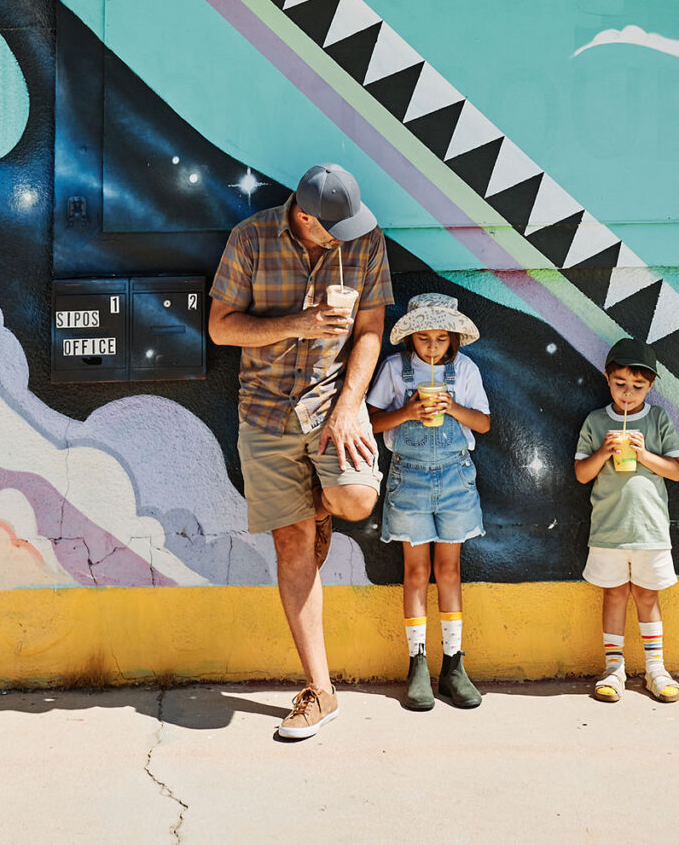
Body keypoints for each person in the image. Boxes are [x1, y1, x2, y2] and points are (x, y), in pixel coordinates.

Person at [208, 162, 392, 741]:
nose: (346, 236)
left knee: (357, 499)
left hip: (331, 402)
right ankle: (320, 690)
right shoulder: (251, 238)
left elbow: (370, 330)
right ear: (304, 215)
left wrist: (350, 404)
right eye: (332, 228)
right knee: (291, 544)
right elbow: (221, 328)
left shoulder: (365, 240)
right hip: (263, 409)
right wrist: (302, 324)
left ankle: (321, 500)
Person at [367, 292, 490, 713]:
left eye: (441, 338)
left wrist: (453, 407)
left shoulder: (466, 370)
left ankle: (453, 664)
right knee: (416, 572)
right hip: (410, 479)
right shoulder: (393, 370)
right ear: (411, 338)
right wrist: (406, 412)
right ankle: (417, 663)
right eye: (424, 338)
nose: (433, 346)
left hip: (456, 478)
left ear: (453, 338)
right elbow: (370, 421)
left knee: (449, 570)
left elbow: (485, 423)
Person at [573, 336, 679, 704]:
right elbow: (581, 474)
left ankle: (656, 668)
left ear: (650, 386)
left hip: (650, 529)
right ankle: (613, 668)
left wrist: (643, 453)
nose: (628, 393)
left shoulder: (657, 419)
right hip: (608, 530)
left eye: (638, 386)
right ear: (607, 379)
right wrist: (605, 450)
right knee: (615, 594)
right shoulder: (595, 421)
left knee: (647, 595)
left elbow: (676, 471)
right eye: (620, 384)